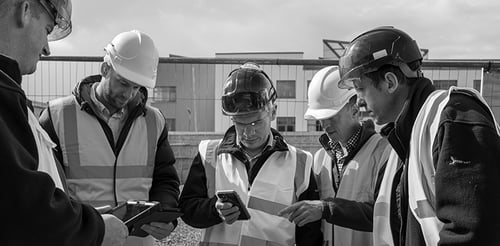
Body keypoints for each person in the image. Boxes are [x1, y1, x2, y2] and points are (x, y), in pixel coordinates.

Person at [338, 26, 500, 246]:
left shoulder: (454, 120)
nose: (358, 101)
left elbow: (473, 234)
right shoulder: (406, 138)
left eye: (360, 89)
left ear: (390, 82)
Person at [0, 0, 130, 245]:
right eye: (47, 30)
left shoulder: (10, 95)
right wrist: (93, 229)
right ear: (24, 10)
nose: (47, 49)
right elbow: (23, 208)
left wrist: (81, 220)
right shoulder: (5, 98)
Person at [39, 30, 180, 246]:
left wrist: (166, 213)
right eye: (123, 83)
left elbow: (165, 178)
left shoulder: (154, 120)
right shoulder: (57, 116)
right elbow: (45, 189)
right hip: (84, 238)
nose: (129, 94)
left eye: (136, 87)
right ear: (105, 68)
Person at [179, 62, 323, 245]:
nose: (248, 132)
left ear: (273, 112)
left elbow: (310, 233)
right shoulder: (208, 154)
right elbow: (187, 209)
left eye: (256, 122)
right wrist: (214, 210)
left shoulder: (300, 162)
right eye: (240, 123)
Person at [278, 66, 390, 246]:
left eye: (331, 116)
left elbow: (387, 216)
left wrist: (327, 209)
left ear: (354, 109)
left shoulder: (384, 152)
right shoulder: (320, 159)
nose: (325, 125)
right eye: (320, 118)